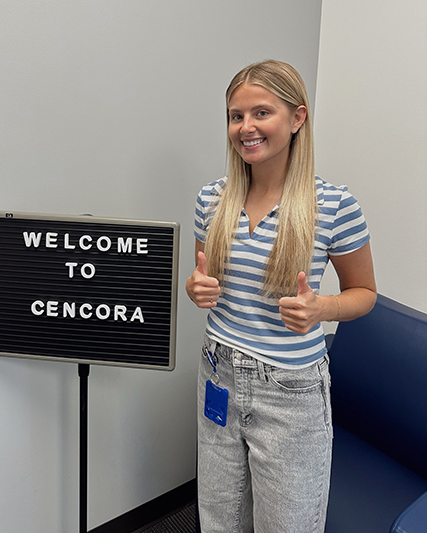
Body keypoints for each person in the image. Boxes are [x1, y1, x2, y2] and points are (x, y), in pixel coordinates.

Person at [186, 60, 377, 533]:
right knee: (219, 520)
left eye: (261, 113)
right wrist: (196, 289)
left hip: (290, 391)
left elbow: (365, 293)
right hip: (218, 372)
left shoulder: (333, 204)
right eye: (236, 116)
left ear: (297, 119)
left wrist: (323, 309)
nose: (245, 127)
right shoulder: (212, 199)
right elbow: (202, 278)